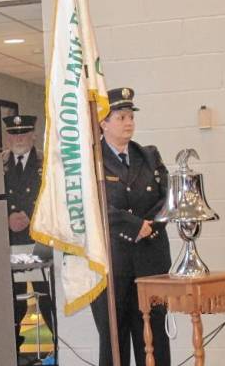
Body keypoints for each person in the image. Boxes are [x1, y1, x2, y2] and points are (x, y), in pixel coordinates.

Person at [90, 87, 171, 366]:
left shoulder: (148, 155)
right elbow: (92, 207)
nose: (129, 122)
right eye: (121, 116)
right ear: (104, 123)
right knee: (115, 340)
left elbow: (167, 198)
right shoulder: (92, 161)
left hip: (150, 260)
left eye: (131, 116)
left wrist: (148, 226)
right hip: (113, 263)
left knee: (154, 340)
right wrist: (133, 225)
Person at [2, 114, 54, 354]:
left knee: (47, 299)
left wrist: (30, 218)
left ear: (33, 135)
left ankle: (56, 348)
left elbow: (52, 201)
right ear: (7, 137)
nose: (19, 138)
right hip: (10, 243)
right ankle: (13, 351)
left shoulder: (47, 165)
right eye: (14, 133)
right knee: (12, 302)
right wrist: (7, 219)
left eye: (24, 133)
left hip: (39, 241)